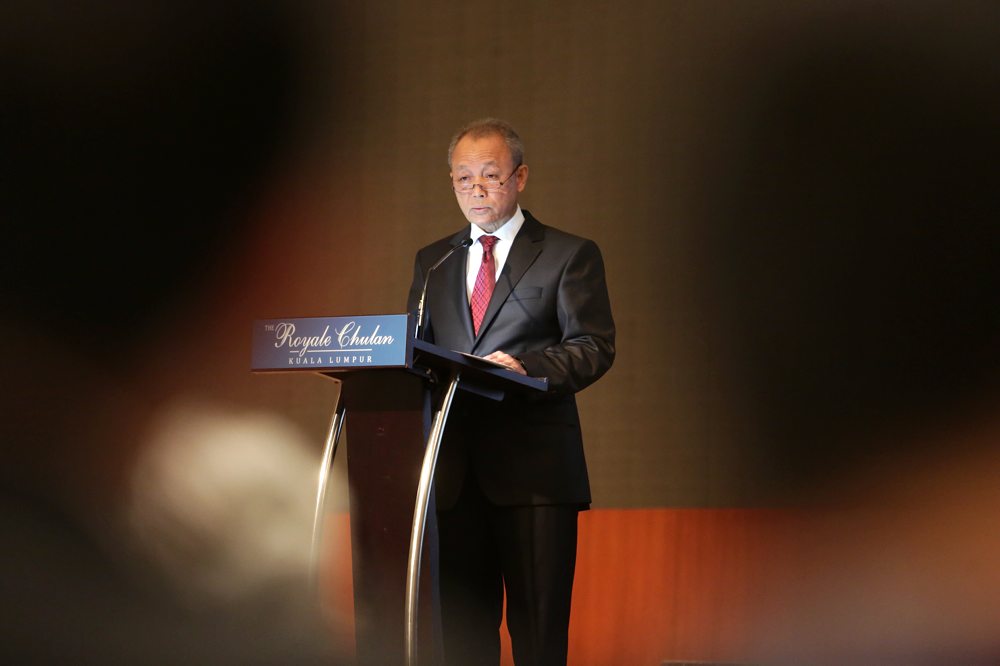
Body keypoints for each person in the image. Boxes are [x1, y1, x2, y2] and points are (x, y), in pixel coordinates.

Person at [406, 118, 615, 665]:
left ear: (519, 177)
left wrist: (525, 366)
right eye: (464, 178)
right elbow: (416, 353)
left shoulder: (568, 254)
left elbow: (593, 345)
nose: (476, 189)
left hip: (535, 475)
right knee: (462, 640)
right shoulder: (434, 261)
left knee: (537, 637)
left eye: (491, 175)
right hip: (454, 477)